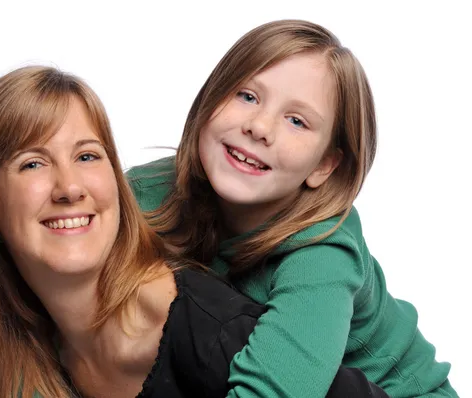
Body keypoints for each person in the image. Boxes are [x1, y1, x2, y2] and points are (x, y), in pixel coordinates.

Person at [0, 65, 388, 398]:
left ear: (326, 165)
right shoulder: (20, 346)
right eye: (33, 163)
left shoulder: (304, 265)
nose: (70, 188)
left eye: (86, 155)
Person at [127, 19, 458, 397]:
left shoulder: (321, 256)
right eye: (247, 96)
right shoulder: (150, 190)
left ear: (323, 166)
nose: (260, 126)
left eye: (297, 121)